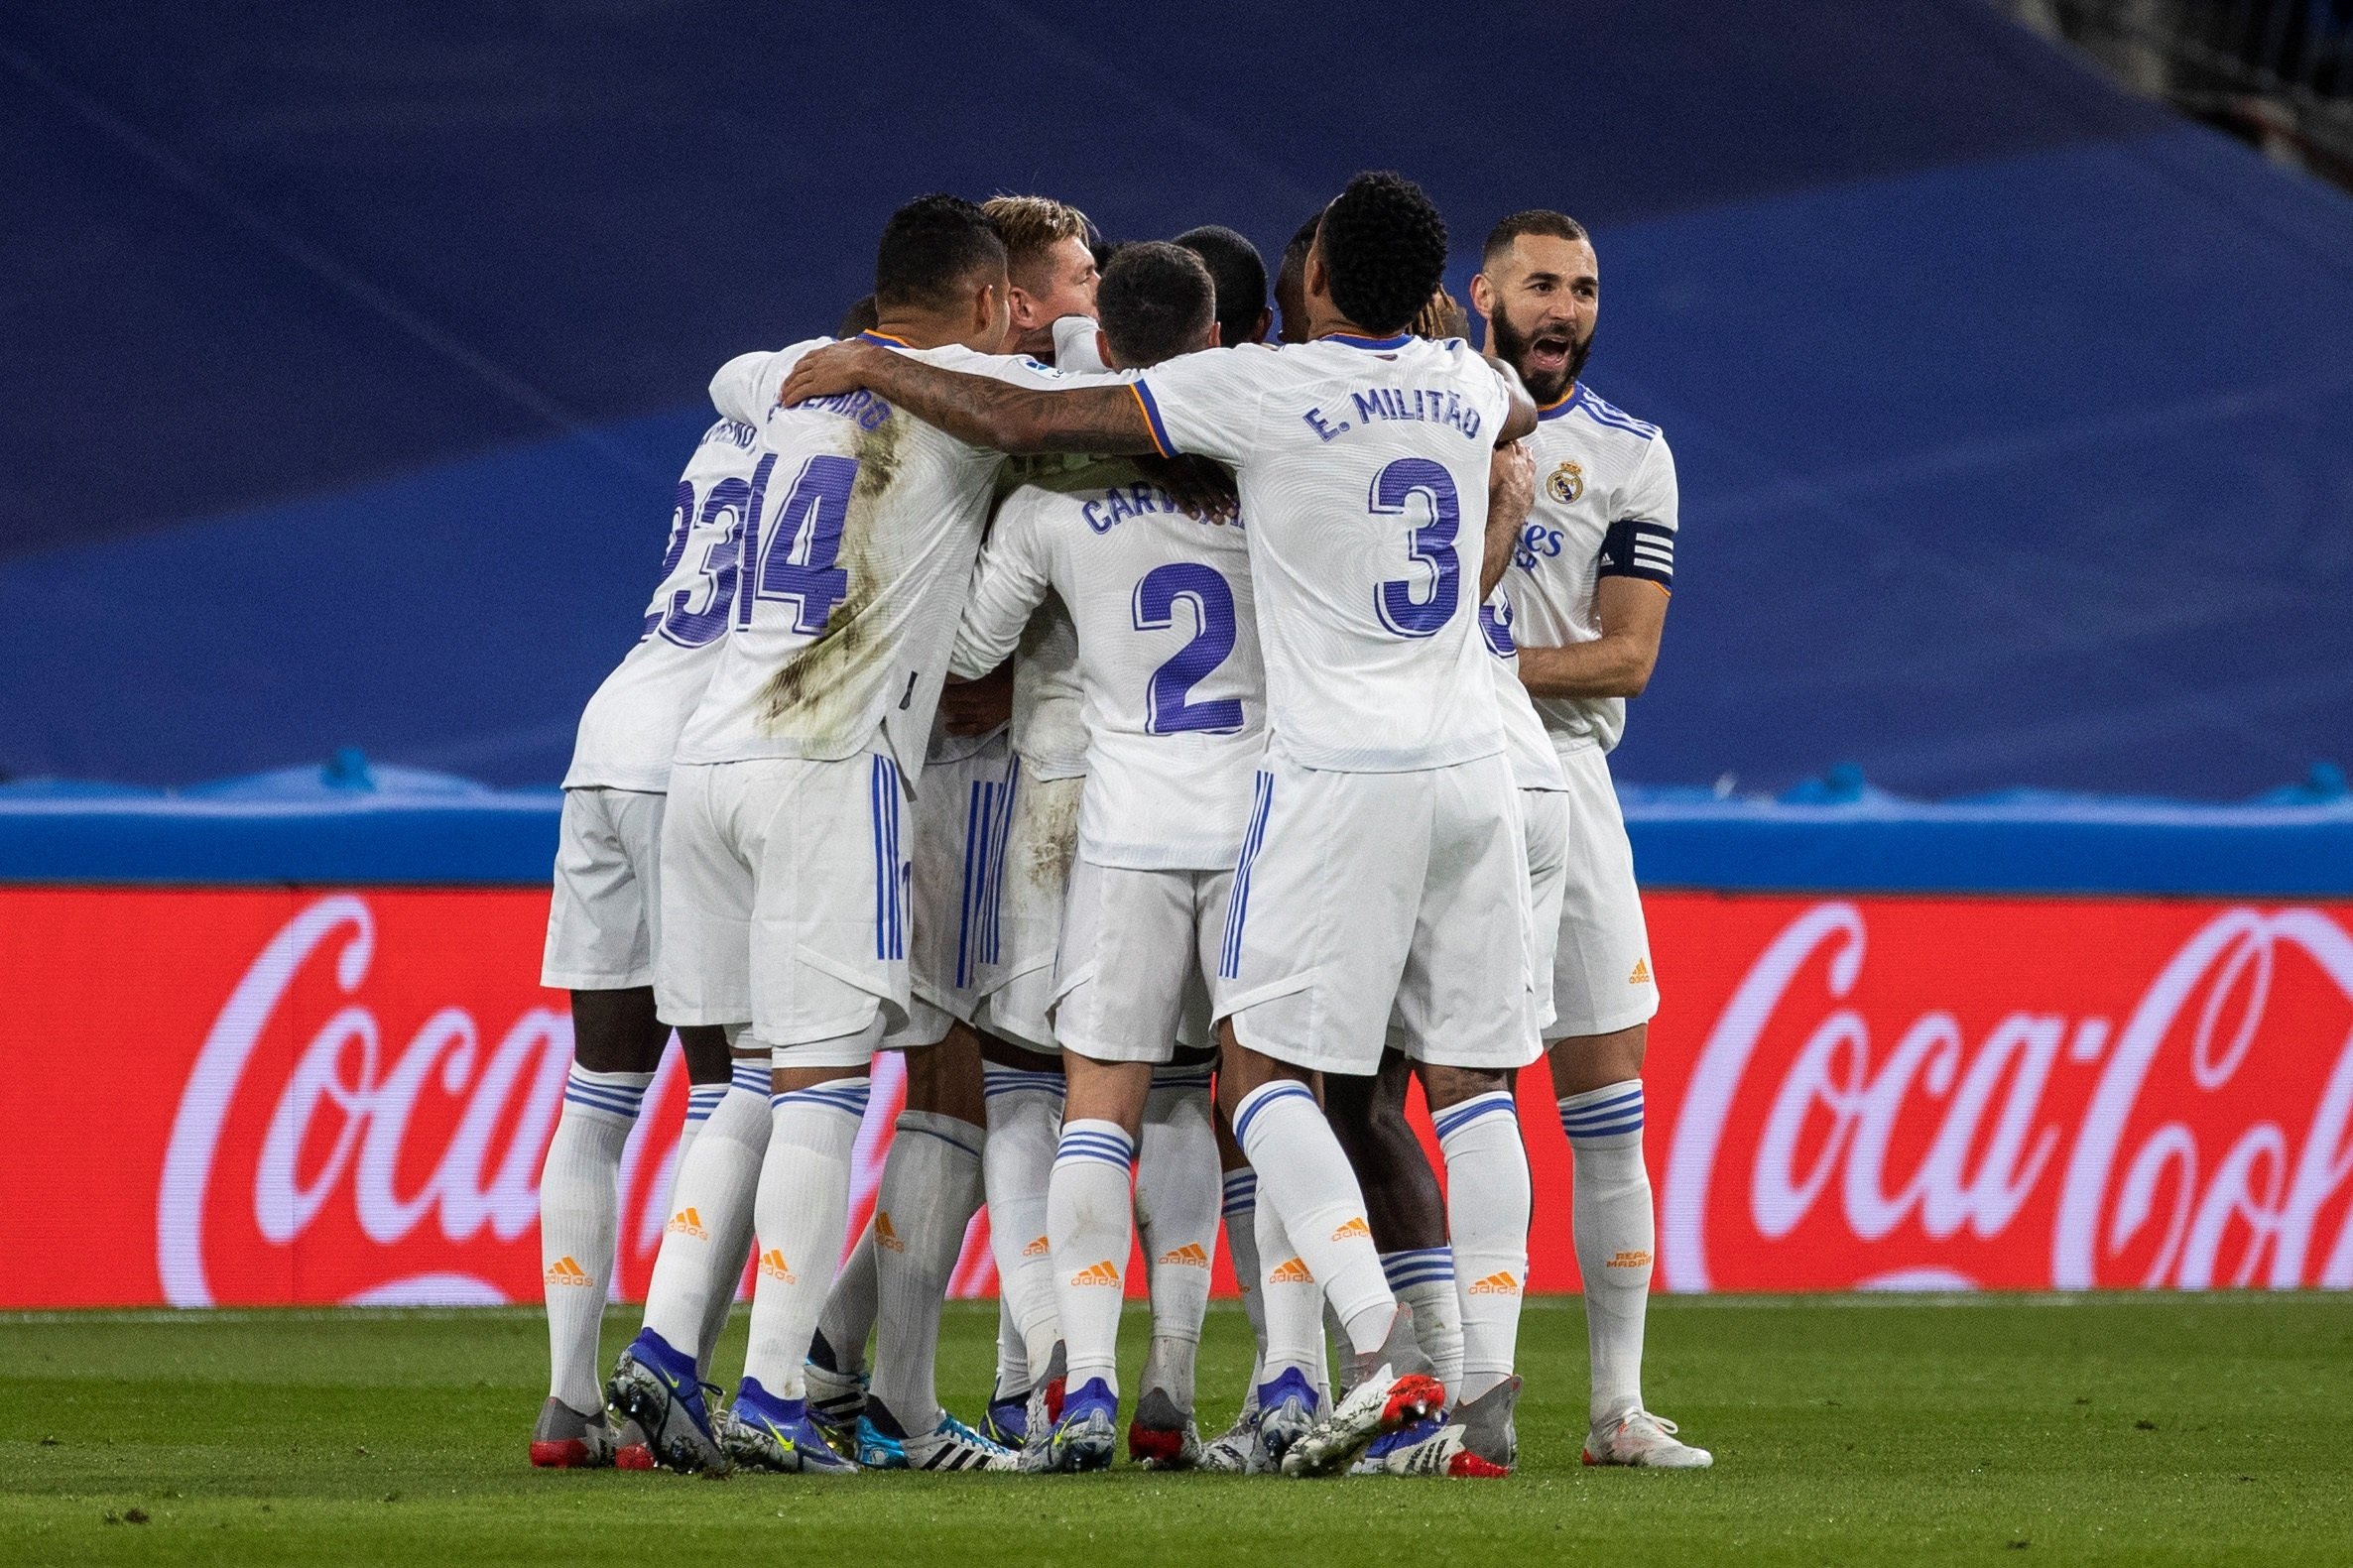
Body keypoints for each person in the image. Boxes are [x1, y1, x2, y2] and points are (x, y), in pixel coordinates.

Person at [778, 170, 1543, 1478]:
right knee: (1472, 1089)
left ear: (1311, 287)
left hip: (1299, 785)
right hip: (1475, 765)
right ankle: (1478, 1394)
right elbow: (1518, 404)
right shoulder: (1470, 388)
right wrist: (1447, 351)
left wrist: (879, 363)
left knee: (1250, 1086)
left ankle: (1369, 1360)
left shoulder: (1258, 391)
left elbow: (1036, 418)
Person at [605, 193, 1071, 1476]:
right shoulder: (977, 384)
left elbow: (732, 368)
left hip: (711, 758)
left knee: (747, 1078)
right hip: (829, 766)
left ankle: (659, 1350)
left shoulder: (792, 389)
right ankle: (767, 1395)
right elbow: (1061, 404)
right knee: (821, 1086)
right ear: (987, 302)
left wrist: (855, 355)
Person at [797, 191, 1101, 1472]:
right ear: (1010, 300)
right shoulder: (990, 405)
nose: (1089, 305)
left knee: (934, 1078)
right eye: (1076, 283)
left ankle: (824, 1362)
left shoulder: (889, 391)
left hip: (883, 771)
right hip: (946, 781)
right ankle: (900, 1402)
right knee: (950, 1080)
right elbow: (969, 668)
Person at [942, 242, 1259, 1472]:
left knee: (1076, 1105)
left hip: (1097, 819)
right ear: (1216, 336)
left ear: (1107, 347)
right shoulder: (1266, 478)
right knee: (1229, 1098)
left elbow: (967, 647)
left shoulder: (1047, 498)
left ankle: (1068, 1382)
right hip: (1248, 827)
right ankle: (1188, 1381)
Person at [1470, 208, 1710, 1469]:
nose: (1564, 307)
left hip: (1564, 777)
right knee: (1440, 1093)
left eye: (1584, 289)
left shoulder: (1629, 454)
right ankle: (1430, 1387)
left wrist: (1475, 664)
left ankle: (1615, 1408)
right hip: (1429, 780)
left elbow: (1626, 655)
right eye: (1542, 284)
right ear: (1482, 294)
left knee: (1604, 1101)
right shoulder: (1423, 420)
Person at [529, 382, 751, 1469]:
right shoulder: (862, 435)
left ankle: (567, 1403)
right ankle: (672, 1393)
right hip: (699, 755)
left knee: (598, 1091)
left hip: (608, 732)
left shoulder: (729, 428)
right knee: (736, 1087)